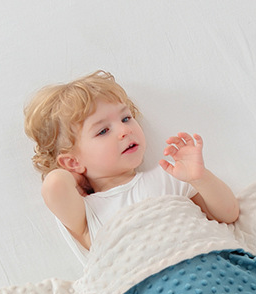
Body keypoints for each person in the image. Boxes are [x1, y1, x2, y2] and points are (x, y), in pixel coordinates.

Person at [23, 70, 239, 262]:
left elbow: (229, 214)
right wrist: (75, 176)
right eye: (103, 131)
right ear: (73, 162)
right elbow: (54, 185)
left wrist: (200, 178)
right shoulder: (87, 214)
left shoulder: (169, 175)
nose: (124, 130)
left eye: (126, 118)